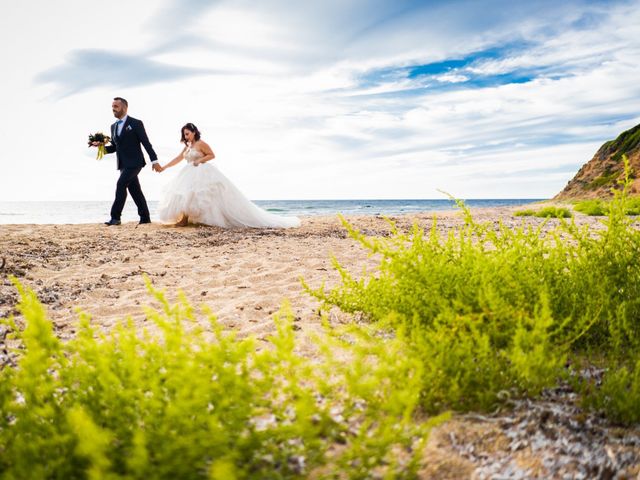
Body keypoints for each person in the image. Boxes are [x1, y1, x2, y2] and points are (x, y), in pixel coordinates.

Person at [156, 123, 300, 228]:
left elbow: (212, 155)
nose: (185, 136)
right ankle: (184, 219)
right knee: (185, 194)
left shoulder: (201, 144)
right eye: (184, 134)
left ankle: (188, 220)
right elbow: (178, 158)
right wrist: (164, 167)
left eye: (187, 133)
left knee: (198, 195)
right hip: (188, 172)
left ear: (194, 132)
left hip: (201, 171)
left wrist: (199, 161)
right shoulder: (187, 147)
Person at [94, 97, 161, 226]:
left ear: (124, 108)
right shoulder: (113, 127)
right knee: (135, 190)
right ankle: (145, 218)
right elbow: (114, 147)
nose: (113, 109)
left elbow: (146, 143)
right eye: (112, 106)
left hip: (135, 163)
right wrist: (101, 147)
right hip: (123, 164)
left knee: (120, 185)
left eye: (116, 106)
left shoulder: (136, 123)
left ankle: (115, 217)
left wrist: (154, 160)